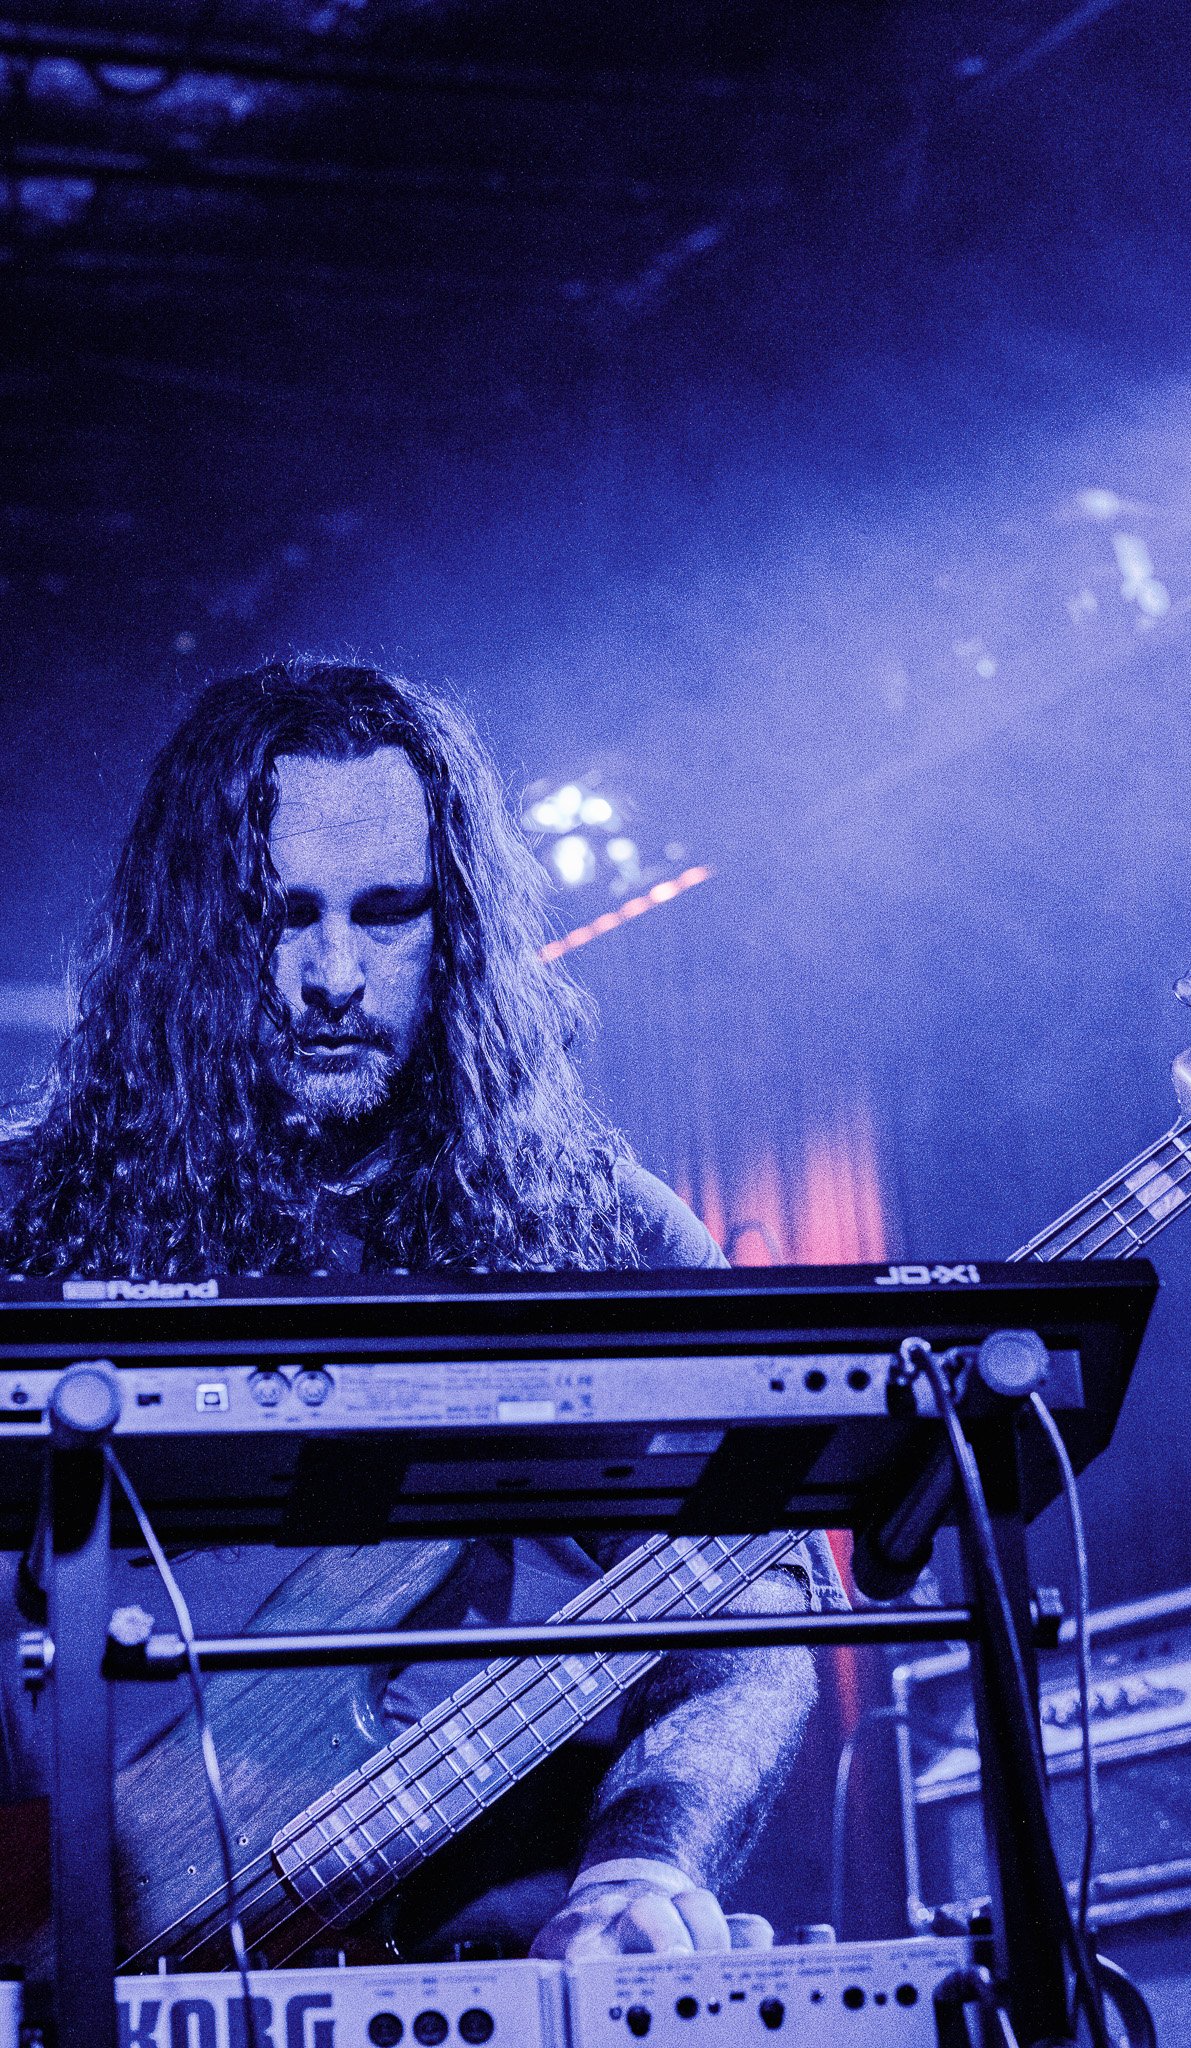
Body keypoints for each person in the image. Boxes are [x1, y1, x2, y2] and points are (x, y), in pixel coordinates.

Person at [0, 659, 842, 1964]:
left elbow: (754, 1613)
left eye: (387, 914)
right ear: (189, 931)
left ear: (457, 931)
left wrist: (644, 1860)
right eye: (280, 915)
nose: (333, 974)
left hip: (493, 1968)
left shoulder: (596, 1228)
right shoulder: (28, 1218)